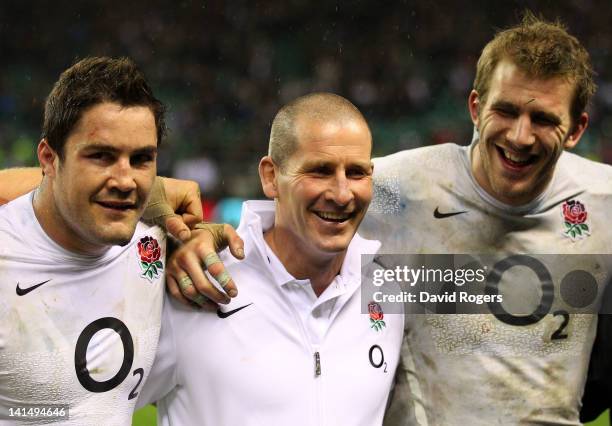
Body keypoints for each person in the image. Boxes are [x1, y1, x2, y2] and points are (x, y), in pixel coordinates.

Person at [361, 14, 612, 426]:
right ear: (476, 108)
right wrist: (213, 235)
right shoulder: (397, 187)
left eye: (544, 119)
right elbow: (286, 226)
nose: (519, 136)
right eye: (506, 111)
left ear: (576, 129)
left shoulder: (603, 201)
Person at [137, 92, 404, 425]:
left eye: (356, 173)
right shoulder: (193, 290)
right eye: (319, 171)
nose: (341, 193)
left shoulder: (390, 290)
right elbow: (81, 399)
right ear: (270, 176)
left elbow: (482, 289)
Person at [0, 56, 239, 425]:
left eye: (142, 159)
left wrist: (195, 240)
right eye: (101, 156)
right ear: (49, 158)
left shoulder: (157, 242)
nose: (125, 180)